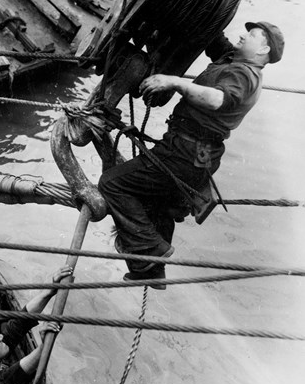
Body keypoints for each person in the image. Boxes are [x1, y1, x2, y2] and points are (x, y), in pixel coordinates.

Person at [97, 21, 284, 287]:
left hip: (184, 152)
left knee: (112, 184)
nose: (243, 35)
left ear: (264, 48)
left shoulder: (244, 75)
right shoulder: (231, 60)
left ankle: (151, 251)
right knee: (156, 200)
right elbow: (215, 39)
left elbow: (218, 100)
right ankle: (151, 271)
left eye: (252, 35)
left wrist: (173, 82)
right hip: (197, 155)